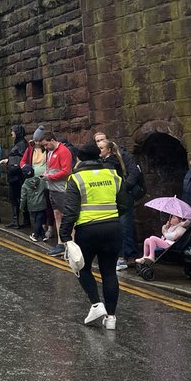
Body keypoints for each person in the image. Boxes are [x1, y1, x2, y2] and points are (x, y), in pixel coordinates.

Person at [60, 142, 123, 330]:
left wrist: (65, 235)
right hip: (113, 227)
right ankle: (111, 318)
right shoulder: (113, 174)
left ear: (80, 158)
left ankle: (96, 304)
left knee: (81, 267)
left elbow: (70, 210)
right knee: (110, 272)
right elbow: (125, 202)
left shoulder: (76, 178)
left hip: (88, 230)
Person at [93, 130, 144, 270]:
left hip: (123, 195)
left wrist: (124, 187)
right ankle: (119, 256)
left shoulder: (122, 155)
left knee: (125, 226)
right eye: (97, 141)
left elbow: (133, 172)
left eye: (102, 141)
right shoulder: (100, 159)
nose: (99, 144)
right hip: (109, 197)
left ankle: (129, 255)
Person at [42, 133, 73, 257]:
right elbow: (51, 168)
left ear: (53, 140)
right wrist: (46, 173)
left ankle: (70, 245)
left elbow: (66, 171)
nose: (45, 147)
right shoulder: (50, 152)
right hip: (52, 188)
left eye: (46, 144)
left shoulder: (63, 151)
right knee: (57, 214)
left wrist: (50, 176)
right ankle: (61, 244)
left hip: (61, 189)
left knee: (67, 216)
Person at [3, 125, 29, 230]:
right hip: (16, 176)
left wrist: (9, 161)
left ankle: (16, 221)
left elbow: (22, 160)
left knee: (14, 198)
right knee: (20, 198)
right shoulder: (20, 143)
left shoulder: (21, 144)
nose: (11, 133)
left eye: (13, 131)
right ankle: (24, 220)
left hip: (17, 177)